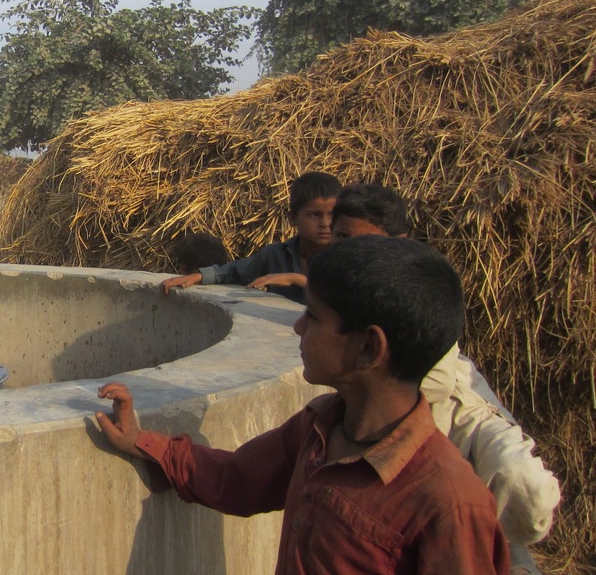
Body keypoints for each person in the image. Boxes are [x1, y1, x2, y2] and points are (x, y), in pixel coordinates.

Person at [98, 235, 510, 574]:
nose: (297, 325)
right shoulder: (319, 428)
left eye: (312, 317)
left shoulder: (450, 503)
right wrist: (142, 441)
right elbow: (236, 479)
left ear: (368, 347)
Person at [331, 184, 560, 554]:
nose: (351, 252)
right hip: (408, 417)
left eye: (366, 242)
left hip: (454, 406)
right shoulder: (338, 285)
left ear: (400, 241)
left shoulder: (417, 282)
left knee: (521, 487)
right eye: (341, 238)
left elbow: (435, 381)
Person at [160, 171, 340, 302]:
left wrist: (296, 279)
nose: (325, 223)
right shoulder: (275, 255)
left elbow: (345, 296)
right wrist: (196, 277)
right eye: (314, 215)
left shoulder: (345, 258)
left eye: (332, 215)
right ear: (293, 218)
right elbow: (233, 271)